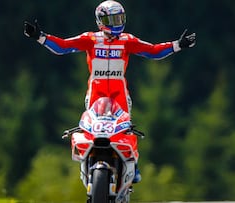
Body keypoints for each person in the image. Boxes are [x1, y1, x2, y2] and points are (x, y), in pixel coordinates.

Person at [24, 0, 196, 183]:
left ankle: (133, 166)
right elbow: (63, 47)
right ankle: (88, 161)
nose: (117, 23)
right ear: (101, 21)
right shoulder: (90, 39)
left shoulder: (127, 41)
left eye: (119, 18)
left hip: (120, 94)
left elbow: (152, 51)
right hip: (95, 95)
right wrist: (39, 36)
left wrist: (178, 45)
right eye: (112, 19)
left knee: (126, 130)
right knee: (91, 130)